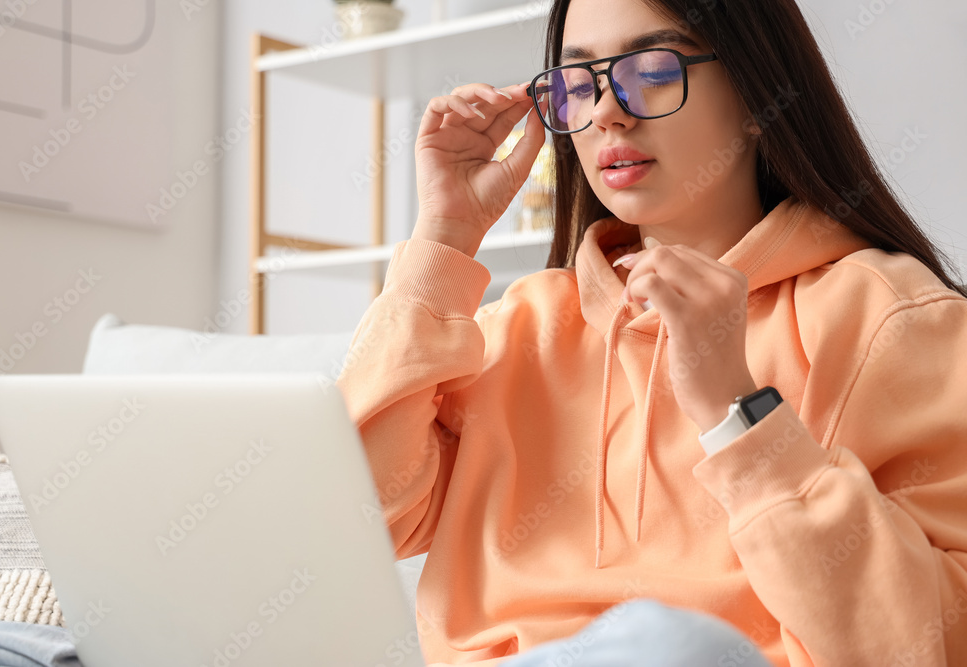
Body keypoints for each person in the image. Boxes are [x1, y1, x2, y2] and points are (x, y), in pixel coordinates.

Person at [335, 0, 967, 664]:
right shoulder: (520, 326)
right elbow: (358, 525)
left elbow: (932, 642)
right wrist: (444, 236)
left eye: (654, 70)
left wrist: (740, 412)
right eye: (580, 82)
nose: (608, 111)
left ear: (760, 95)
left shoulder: (891, 319)